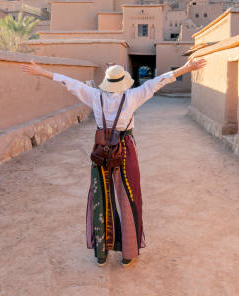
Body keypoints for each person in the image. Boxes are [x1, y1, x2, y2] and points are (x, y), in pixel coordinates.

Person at [20, 58, 207, 267]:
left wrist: (41, 71)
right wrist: (186, 68)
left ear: (107, 82)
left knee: (101, 195)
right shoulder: (132, 96)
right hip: (124, 149)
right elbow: (159, 81)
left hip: (101, 151)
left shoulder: (94, 95)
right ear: (123, 82)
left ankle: (102, 253)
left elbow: (69, 82)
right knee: (128, 196)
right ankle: (128, 253)